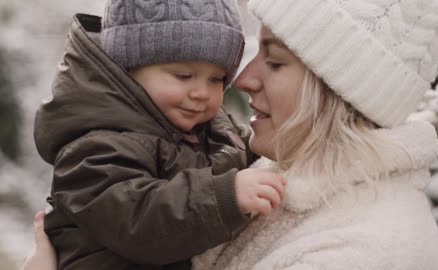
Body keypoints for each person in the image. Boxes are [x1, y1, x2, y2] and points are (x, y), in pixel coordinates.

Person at [24, 0, 438, 269]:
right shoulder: (277, 172)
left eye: (273, 61)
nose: (241, 80)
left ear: (338, 90)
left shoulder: (361, 253)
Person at [31, 0, 286, 269]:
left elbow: (241, 149)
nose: (202, 92)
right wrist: (224, 197)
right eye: (184, 75)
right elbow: (137, 219)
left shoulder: (206, 125)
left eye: (217, 79)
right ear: (128, 68)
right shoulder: (95, 144)